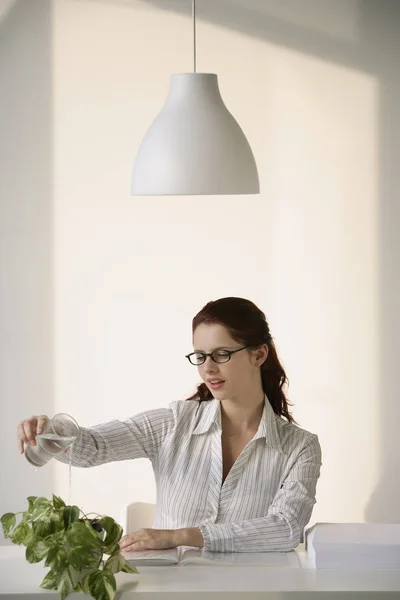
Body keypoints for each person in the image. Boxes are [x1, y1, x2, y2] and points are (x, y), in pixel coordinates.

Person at [17, 297, 322, 554]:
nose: (208, 368)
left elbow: (285, 528)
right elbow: (93, 447)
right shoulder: (174, 423)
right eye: (200, 356)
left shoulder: (299, 447)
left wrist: (178, 536)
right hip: (168, 589)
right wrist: (50, 431)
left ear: (259, 354)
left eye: (221, 354)